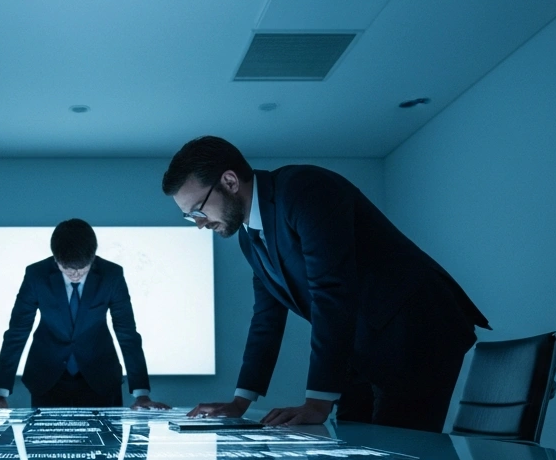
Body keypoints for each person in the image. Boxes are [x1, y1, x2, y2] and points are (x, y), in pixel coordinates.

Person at [162, 136, 489, 431]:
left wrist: (317, 401)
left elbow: (331, 290)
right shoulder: (249, 237)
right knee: (353, 449)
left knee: (397, 454)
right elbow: (266, 318)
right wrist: (240, 402)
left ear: (230, 181)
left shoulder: (304, 189)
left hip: (417, 328)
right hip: (362, 344)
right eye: (190, 217)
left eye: (198, 210)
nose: (199, 224)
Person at [0, 219, 168, 410]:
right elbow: (17, 332)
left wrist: (142, 394)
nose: (75, 274)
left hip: (101, 378)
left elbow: (127, 333)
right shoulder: (36, 275)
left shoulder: (112, 275)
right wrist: (0, 393)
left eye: (82, 268)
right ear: (56, 259)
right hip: (47, 378)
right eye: (67, 268)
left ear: (93, 257)